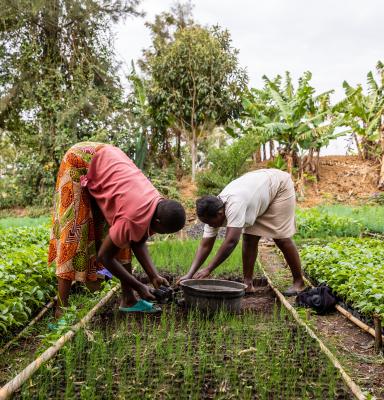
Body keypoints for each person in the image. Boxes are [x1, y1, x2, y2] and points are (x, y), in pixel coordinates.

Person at [48, 142, 186, 318]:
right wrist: (140, 286)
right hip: (79, 160)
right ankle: (61, 309)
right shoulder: (132, 215)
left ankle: (129, 300)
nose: (159, 234)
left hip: (107, 160)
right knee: (73, 234)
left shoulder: (156, 203)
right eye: (163, 231)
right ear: (158, 220)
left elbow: (138, 237)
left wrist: (153, 276)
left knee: (121, 237)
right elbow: (105, 257)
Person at [179, 169, 305, 295]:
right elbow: (205, 245)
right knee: (249, 238)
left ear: (220, 213)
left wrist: (208, 269)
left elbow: (231, 241)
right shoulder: (211, 210)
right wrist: (189, 274)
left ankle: (299, 283)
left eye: (210, 222)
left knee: (281, 238)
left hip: (278, 186)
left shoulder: (235, 205)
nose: (209, 226)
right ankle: (248, 284)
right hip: (257, 189)